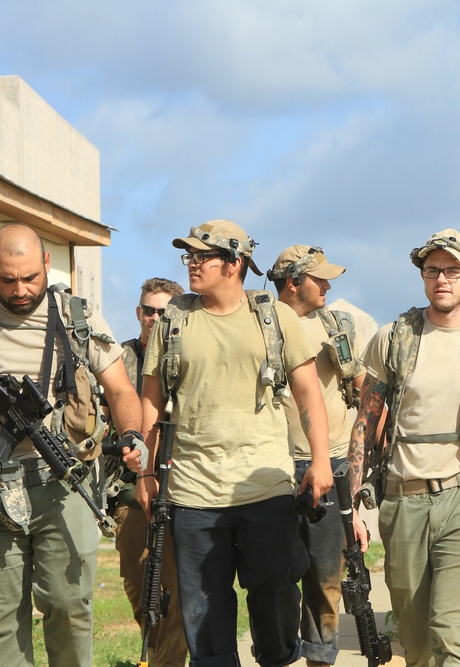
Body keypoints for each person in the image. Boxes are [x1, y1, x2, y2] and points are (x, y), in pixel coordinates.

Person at [0, 223, 143, 667]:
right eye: (6, 280)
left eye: (29, 278)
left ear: (46, 264)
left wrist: (131, 434)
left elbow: (121, 391)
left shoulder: (79, 317)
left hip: (63, 484)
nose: (19, 290)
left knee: (68, 607)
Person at [137, 219, 333, 667]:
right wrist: (146, 474)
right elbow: (151, 401)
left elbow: (309, 395)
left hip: (264, 487)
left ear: (235, 263)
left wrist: (319, 461)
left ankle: (278, 658)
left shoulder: (274, 316)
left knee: (277, 596)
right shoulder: (174, 319)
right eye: (188, 256)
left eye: (201, 256)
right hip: (192, 493)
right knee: (203, 614)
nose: (191, 264)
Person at [347, 228, 460, 667]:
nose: (442, 279)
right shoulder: (394, 338)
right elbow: (364, 424)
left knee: (452, 638)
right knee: (416, 643)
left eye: (453, 270)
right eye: (433, 270)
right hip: (402, 500)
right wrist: (350, 507)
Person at [268, 245, 366, 667]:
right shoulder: (261, 323)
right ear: (293, 283)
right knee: (275, 577)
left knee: (326, 577)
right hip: (274, 467)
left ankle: (320, 659)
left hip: (332, 463)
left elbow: (364, 392)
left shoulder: (335, 325)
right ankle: (279, 654)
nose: (327, 285)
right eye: (318, 278)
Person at [112, 276, 188, 666]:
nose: (152, 318)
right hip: (129, 494)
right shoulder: (118, 360)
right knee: (143, 597)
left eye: (162, 312)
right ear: (138, 312)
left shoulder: (188, 356)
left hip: (182, 491)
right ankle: (159, 656)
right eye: (147, 310)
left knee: (174, 598)